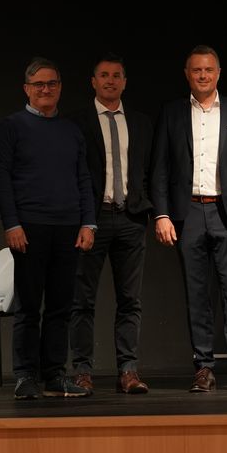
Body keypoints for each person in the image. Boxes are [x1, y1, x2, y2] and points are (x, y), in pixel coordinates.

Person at [151, 45, 227, 393]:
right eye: (197, 70)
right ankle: (203, 366)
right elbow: (159, 169)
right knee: (197, 293)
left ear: (218, 73)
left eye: (209, 70)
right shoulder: (172, 113)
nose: (203, 75)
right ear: (187, 74)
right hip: (188, 214)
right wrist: (162, 213)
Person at [0, 57, 96, 400]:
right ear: (27, 89)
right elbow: (1, 180)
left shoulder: (71, 130)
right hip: (29, 228)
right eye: (39, 84)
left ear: (60, 88)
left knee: (60, 307)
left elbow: (83, 178)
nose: (45, 89)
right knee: (28, 307)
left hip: (68, 228)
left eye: (52, 84)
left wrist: (88, 222)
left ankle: (54, 375)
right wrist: (12, 223)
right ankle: (25, 376)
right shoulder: (11, 127)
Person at [67, 54, 152, 395]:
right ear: (93, 81)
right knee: (82, 300)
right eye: (104, 75)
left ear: (124, 82)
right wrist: (82, 219)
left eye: (116, 75)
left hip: (131, 217)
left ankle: (128, 371)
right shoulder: (76, 122)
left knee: (130, 300)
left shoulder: (141, 122)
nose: (110, 81)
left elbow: (149, 169)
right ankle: (82, 371)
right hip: (93, 219)